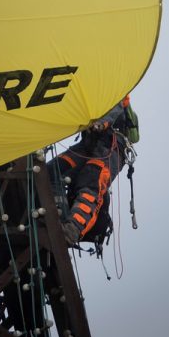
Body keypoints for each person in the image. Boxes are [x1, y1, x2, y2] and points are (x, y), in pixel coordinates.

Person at [47, 97, 138, 244]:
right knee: (52, 171)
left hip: (110, 147)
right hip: (88, 144)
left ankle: (72, 229)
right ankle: (58, 213)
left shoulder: (115, 93)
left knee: (91, 183)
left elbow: (116, 105)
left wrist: (101, 123)